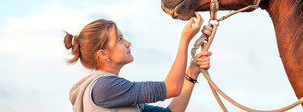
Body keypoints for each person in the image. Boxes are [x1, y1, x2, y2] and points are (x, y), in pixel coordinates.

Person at [64, 12, 211, 112]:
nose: (128, 43)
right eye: (120, 39)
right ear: (103, 54)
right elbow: (171, 88)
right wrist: (184, 40)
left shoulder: (110, 88)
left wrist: (192, 72)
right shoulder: (105, 87)